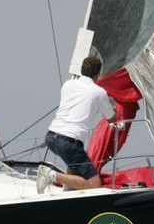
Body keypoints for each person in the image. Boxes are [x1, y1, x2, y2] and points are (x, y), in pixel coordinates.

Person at [36, 56, 116, 194]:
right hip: (69, 142)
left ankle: (69, 190)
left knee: (72, 162)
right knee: (95, 184)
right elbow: (111, 119)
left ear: (81, 69)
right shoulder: (99, 92)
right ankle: (50, 175)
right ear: (98, 74)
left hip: (51, 137)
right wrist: (115, 111)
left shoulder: (68, 84)